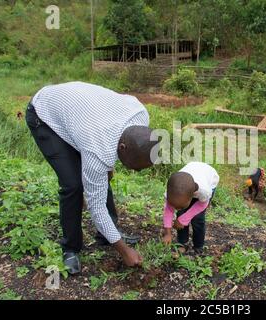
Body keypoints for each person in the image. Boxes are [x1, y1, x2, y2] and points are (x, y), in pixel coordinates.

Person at [26, 81, 159, 274]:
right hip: (45, 115)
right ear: (122, 147)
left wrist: (106, 171)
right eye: (134, 167)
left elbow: (106, 163)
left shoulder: (140, 115)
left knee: (100, 175)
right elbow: (95, 205)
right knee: (73, 185)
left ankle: (108, 233)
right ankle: (70, 248)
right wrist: (123, 251)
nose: (135, 171)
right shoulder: (97, 149)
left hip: (82, 115)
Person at [162, 162, 219, 255]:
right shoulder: (171, 191)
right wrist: (167, 232)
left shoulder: (204, 191)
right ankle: (182, 243)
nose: (177, 208)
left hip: (209, 178)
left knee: (198, 219)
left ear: (191, 196)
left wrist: (183, 220)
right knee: (181, 214)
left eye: (180, 206)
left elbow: (202, 205)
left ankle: (198, 246)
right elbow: (168, 210)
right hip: (189, 178)